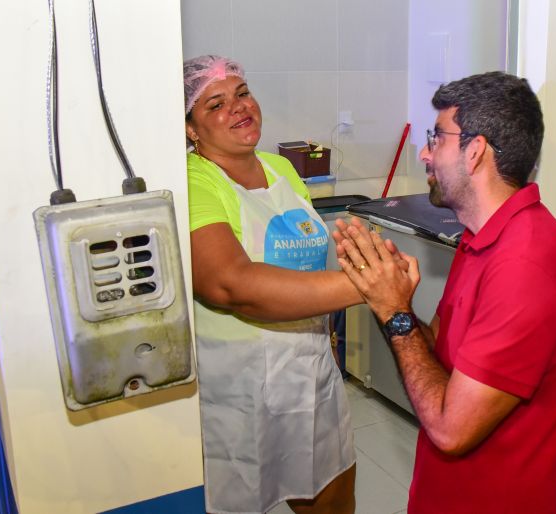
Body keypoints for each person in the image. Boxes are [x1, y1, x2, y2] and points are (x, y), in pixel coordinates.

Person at [333, 71, 556, 514]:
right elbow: (438, 356)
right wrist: (393, 297)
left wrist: (394, 312)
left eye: (437, 138)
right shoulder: (482, 239)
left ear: (474, 152)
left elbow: (451, 429)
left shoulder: (526, 268)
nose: (425, 153)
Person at [183, 55, 363, 514]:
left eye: (242, 93)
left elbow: (306, 267)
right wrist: (365, 286)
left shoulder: (281, 169)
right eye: (215, 104)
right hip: (239, 389)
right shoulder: (193, 182)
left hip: (312, 374)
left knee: (333, 495)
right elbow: (231, 285)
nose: (239, 108)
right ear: (190, 129)